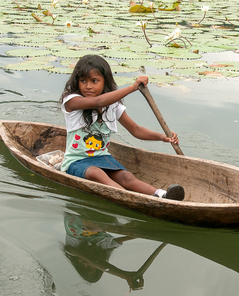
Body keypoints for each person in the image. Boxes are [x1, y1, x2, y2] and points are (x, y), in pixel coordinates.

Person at [60, 54, 184, 200]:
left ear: (105, 82)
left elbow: (136, 130)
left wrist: (163, 137)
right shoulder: (72, 102)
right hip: (76, 161)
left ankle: (162, 194)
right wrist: (132, 87)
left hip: (101, 157)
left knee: (127, 177)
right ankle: (130, 198)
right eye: (83, 81)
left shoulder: (113, 106)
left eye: (94, 81)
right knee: (96, 173)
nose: (88, 86)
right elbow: (99, 101)